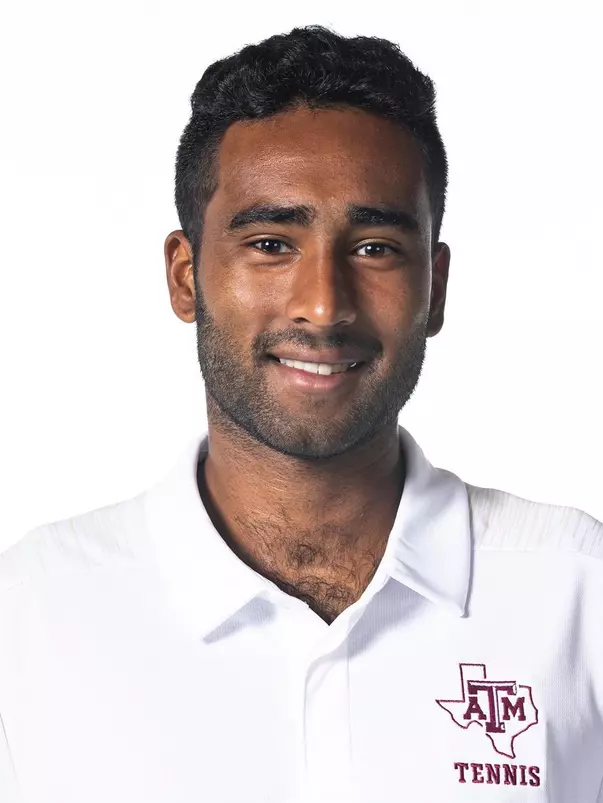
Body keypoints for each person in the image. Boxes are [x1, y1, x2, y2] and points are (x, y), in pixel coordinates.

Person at [1, 24, 601, 803]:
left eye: (375, 247)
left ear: (436, 286)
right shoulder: (32, 614)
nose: (322, 305)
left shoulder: (574, 592)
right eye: (270, 242)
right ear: (186, 278)